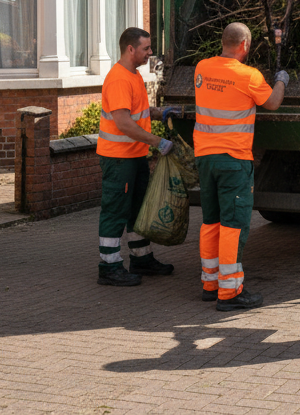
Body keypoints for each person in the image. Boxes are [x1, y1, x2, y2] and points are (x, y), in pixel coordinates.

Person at [193, 22, 287, 311]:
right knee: (234, 224)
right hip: (233, 160)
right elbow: (272, 103)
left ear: (224, 42)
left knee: (211, 221)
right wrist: (281, 79)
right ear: (245, 45)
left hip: (205, 158)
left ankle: (210, 284)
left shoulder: (201, 68)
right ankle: (230, 291)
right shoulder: (248, 76)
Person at [96, 27, 180, 286]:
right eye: (146, 48)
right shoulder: (120, 79)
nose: (150, 53)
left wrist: (158, 112)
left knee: (137, 210)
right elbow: (123, 123)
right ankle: (109, 267)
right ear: (130, 49)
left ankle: (141, 259)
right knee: (115, 211)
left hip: (133, 156)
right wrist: (158, 142)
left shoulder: (133, 76)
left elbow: (136, 114)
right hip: (120, 159)